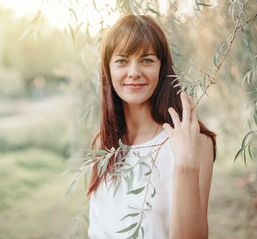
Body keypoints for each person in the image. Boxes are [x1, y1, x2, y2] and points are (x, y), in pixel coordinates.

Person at [87, 14, 216, 239]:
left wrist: (186, 164)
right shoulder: (102, 143)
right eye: (122, 61)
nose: (134, 71)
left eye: (146, 60)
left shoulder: (196, 143)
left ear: (161, 68)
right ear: (108, 70)